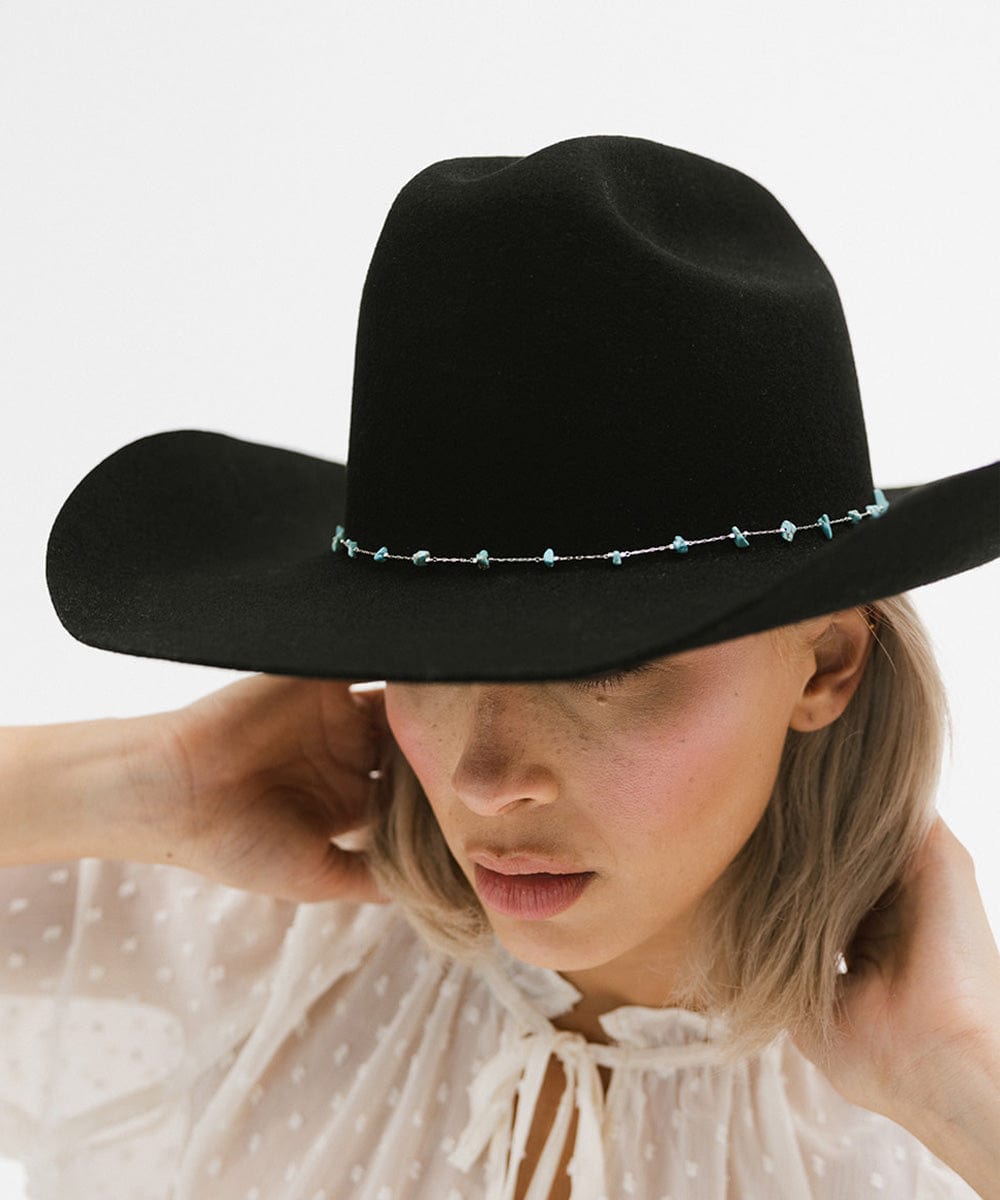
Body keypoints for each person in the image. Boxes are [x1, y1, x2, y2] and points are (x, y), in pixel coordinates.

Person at [2, 134, 998, 1199]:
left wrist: (955, 1086)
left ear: (826, 666)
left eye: (599, 673)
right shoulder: (264, 944)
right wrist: (151, 780)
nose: (485, 779)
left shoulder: (920, 1128)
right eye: (429, 664)